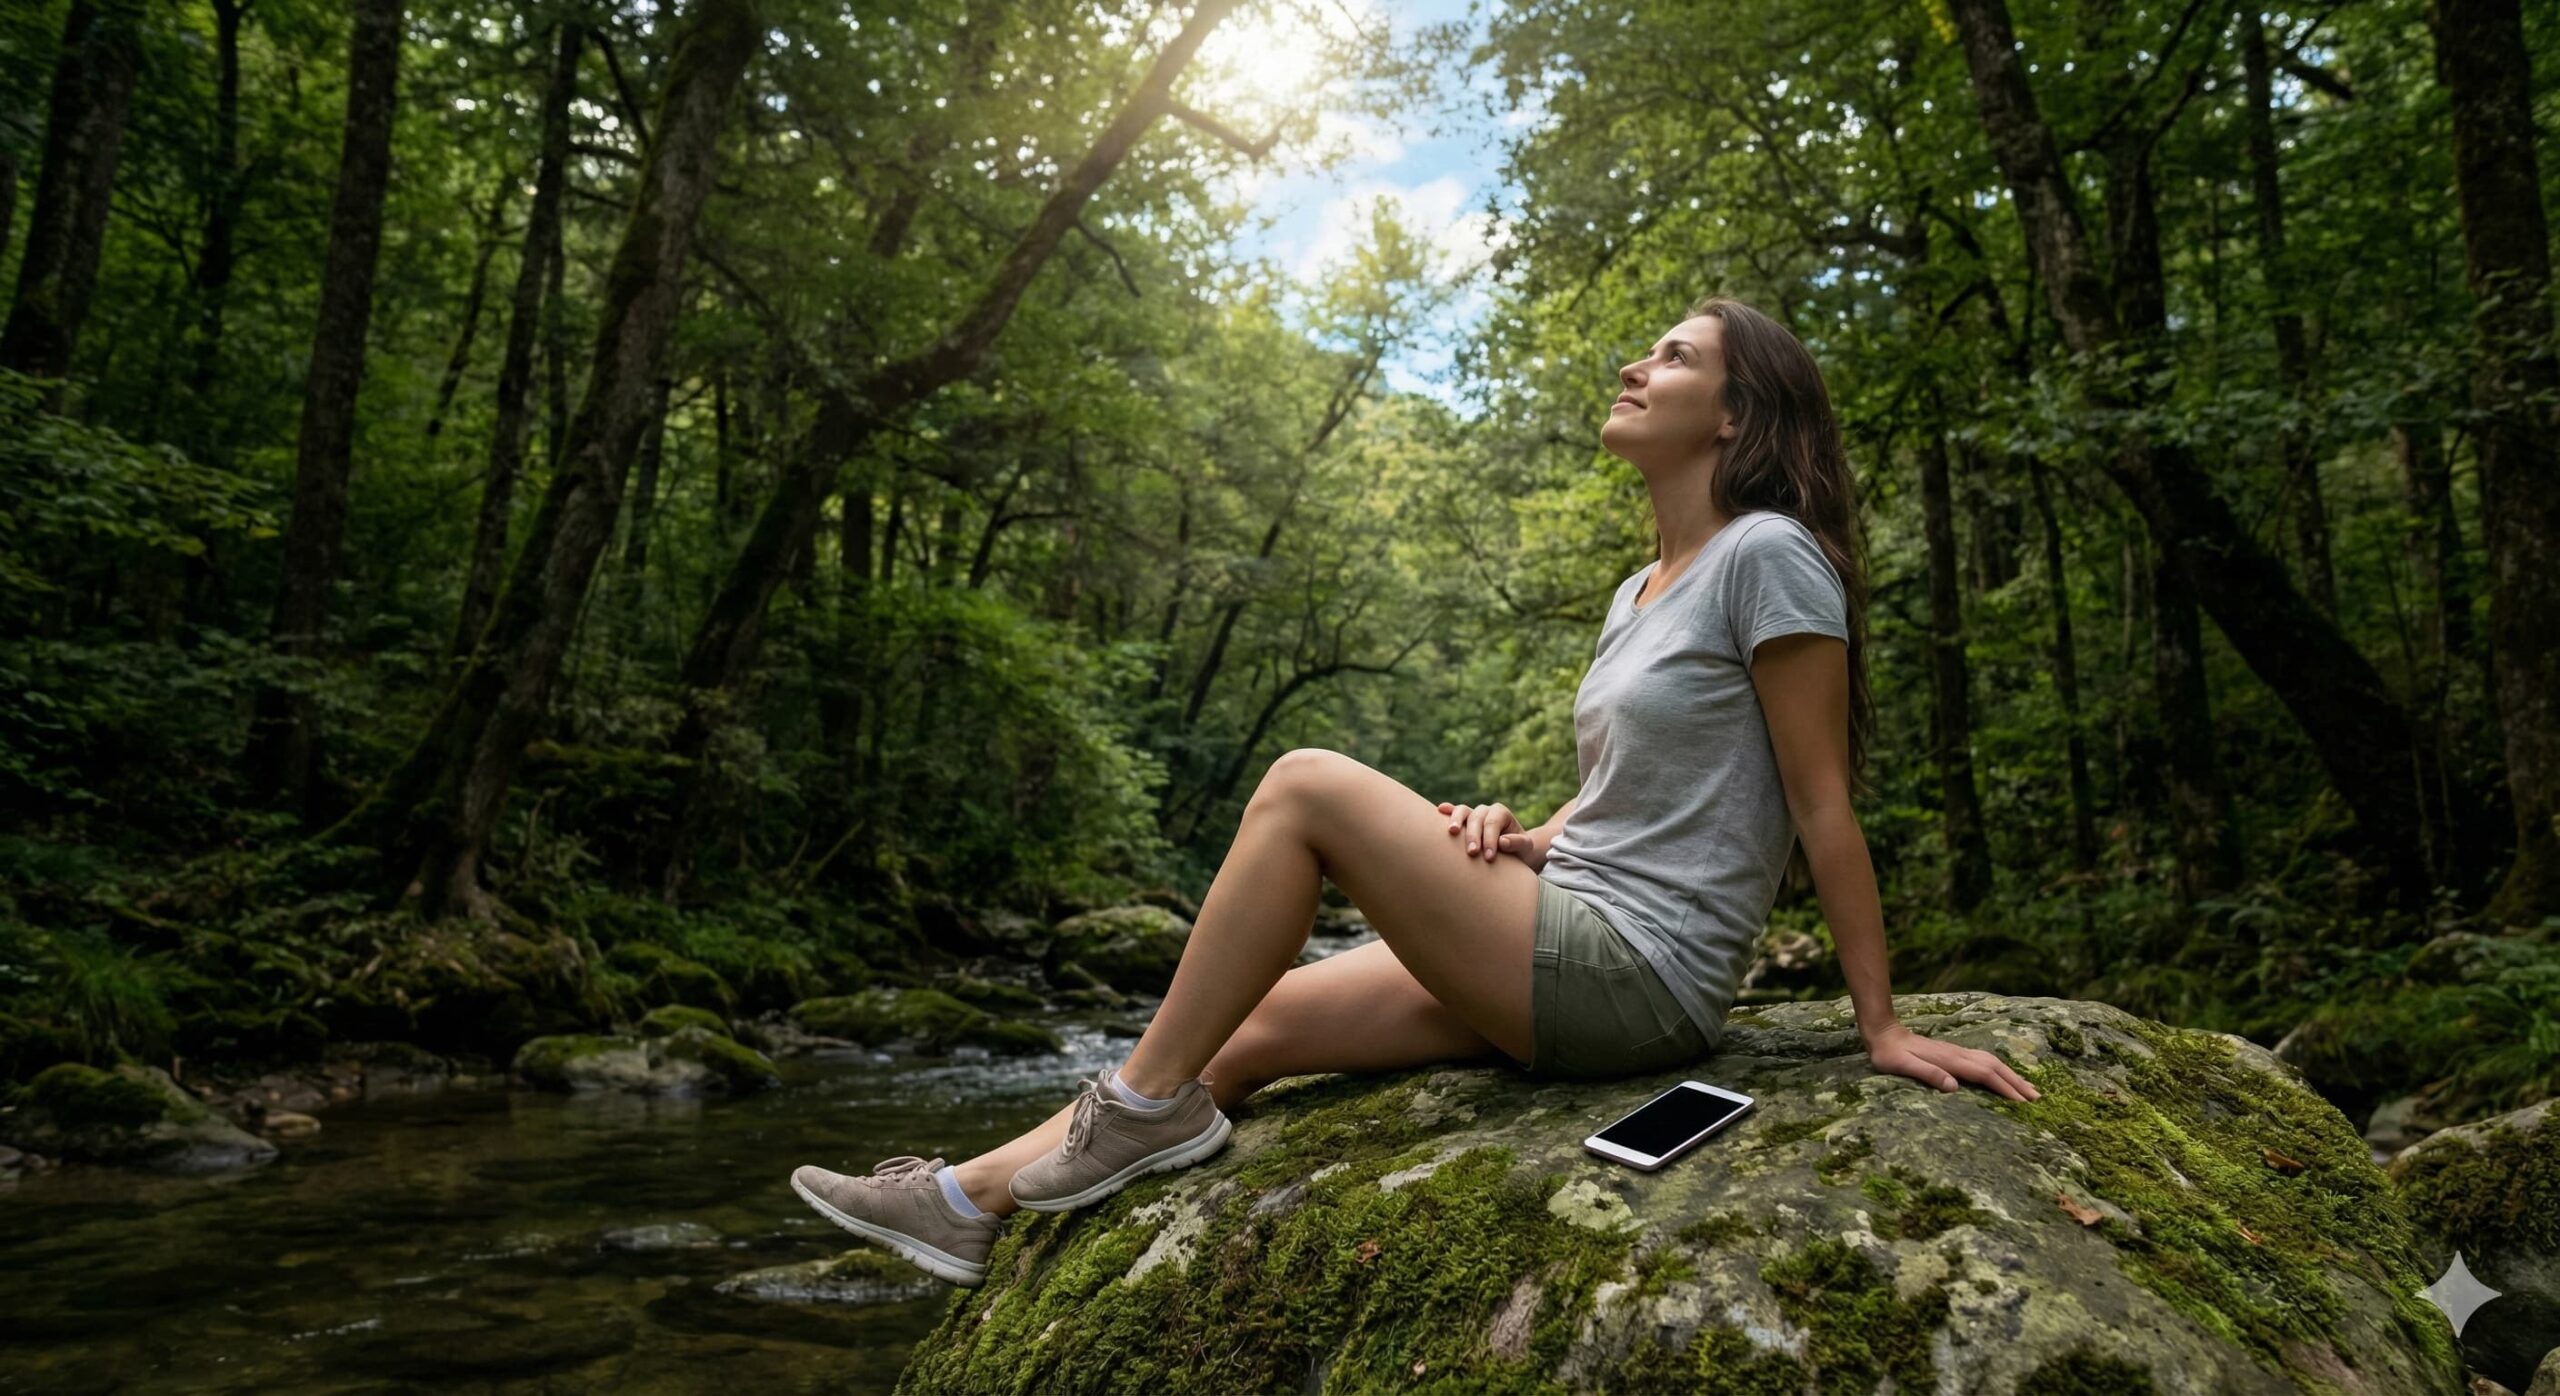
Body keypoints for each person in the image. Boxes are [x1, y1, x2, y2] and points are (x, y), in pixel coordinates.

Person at [786, 295, 2041, 1288]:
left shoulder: (1768, 555)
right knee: (1249, 1023)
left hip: (1636, 974)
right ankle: (960, 1202)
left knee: (1303, 784)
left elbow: (1817, 801)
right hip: (1571, 915)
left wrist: (1879, 1025)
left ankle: (1131, 1115)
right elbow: (1651, 797)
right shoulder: (1637, 589)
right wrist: (1526, 830)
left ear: (1735, 413)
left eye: (1671, 355)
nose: (1633, 365)